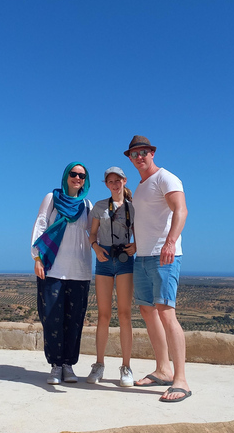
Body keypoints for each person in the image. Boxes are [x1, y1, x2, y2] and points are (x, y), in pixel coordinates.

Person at [125, 135, 192, 403]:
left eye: (143, 152)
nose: (139, 157)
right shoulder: (141, 187)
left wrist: (170, 242)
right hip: (142, 257)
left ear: (152, 153)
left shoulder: (167, 178)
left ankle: (181, 380)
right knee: (147, 310)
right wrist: (136, 245)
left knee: (166, 313)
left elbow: (181, 210)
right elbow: (146, 221)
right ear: (130, 158)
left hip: (164, 256)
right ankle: (163, 370)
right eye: (134, 154)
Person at [31, 162, 93, 385]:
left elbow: (96, 233)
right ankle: (55, 366)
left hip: (80, 272)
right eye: (74, 174)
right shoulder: (52, 198)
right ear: (66, 176)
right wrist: (37, 258)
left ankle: (68, 365)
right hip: (52, 268)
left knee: (74, 321)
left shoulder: (87, 205)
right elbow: (40, 225)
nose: (78, 178)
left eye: (82, 176)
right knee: (52, 319)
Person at [86, 166, 136, 387]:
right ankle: (99, 365)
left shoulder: (133, 208)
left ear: (124, 181)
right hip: (104, 260)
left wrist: (136, 246)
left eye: (118, 180)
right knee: (103, 315)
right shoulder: (99, 207)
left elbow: (141, 232)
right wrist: (96, 248)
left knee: (125, 314)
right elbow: (92, 233)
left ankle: (126, 367)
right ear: (106, 184)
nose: (115, 184)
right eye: (110, 182)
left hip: (125, 260)